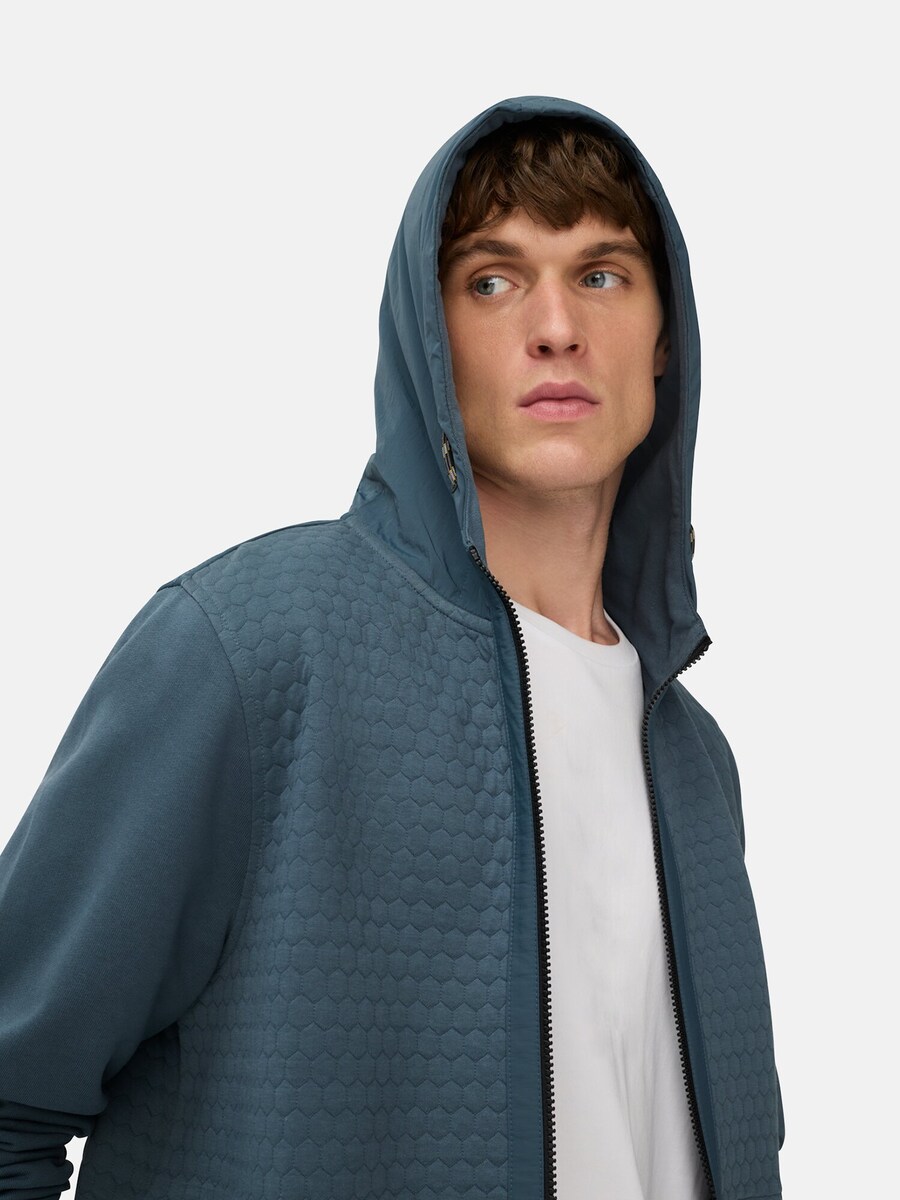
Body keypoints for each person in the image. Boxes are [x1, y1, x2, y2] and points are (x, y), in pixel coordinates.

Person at [0, 95, 785, 1200]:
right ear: (428, 335)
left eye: (602, 274)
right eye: (492, 280)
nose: (556, 326)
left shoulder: (695, 764)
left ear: (665, 341)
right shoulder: (254, 655)